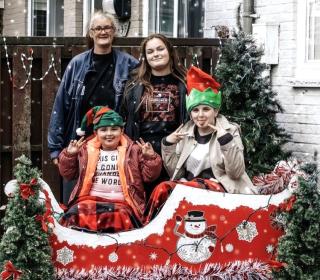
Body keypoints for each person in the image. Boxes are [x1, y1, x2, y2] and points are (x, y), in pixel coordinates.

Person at [48, 11, 139, 204]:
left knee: (114, 199)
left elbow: (140, 101)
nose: (103, 31)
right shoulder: (77, 64)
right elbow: (60, 105)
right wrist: (56, 148)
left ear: (114, 31)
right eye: (98, 28)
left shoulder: (129, 64)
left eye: (107, 27)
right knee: (77, 202)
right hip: (80, 145)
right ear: (91, 33)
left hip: (114, 144)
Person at [145, 66, 255, 223]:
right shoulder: (186, 130)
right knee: (162, 189)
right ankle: (148, 227)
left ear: (215, 111)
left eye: (206, 109)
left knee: (185, 192)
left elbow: (235, 173)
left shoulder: (230, 130)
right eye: (195, 110)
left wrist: (226, 141)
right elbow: (174, 173)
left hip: (219, 187)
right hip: (190, 185)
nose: (200, 115)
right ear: (190, 113)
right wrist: (168, 144)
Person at [58, 106, 162, 232]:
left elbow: (149, 177)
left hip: (122, 203)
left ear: (122, 130)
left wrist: (150, 157)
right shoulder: (85, 150)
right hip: (89, 200)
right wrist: (70, 155)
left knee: (120, 216)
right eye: (103, 130)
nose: (109, 134)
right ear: (96, 133)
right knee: (75, 215)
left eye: (114, 129)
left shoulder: (134, 150)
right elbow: (68, 174)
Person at [121, 34, 188, 196]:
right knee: (143, 201)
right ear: (145, 57)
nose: (155, 54)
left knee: (170, 200)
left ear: (169, 52)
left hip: (173, 150)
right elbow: (125, 117)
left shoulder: (184, 82)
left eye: (160, 49)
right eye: (150, 51)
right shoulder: (134, 85)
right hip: (142, 152)